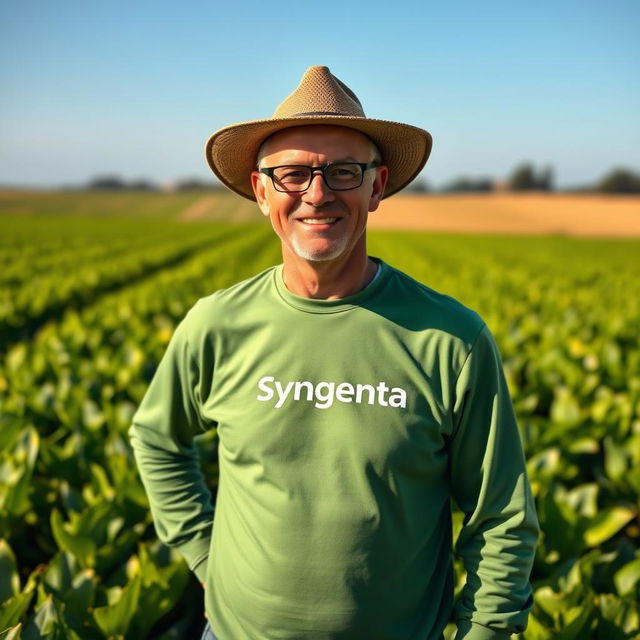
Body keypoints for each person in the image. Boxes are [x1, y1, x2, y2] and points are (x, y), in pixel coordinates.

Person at [129, 66, 539, 640]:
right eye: (293, 174)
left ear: (377, 186)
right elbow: (156, 438)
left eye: (343, 172)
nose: (317, 195)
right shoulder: (216, 326)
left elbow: (504, 518)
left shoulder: (451, 339)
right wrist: (205, 555)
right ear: (260, 189)